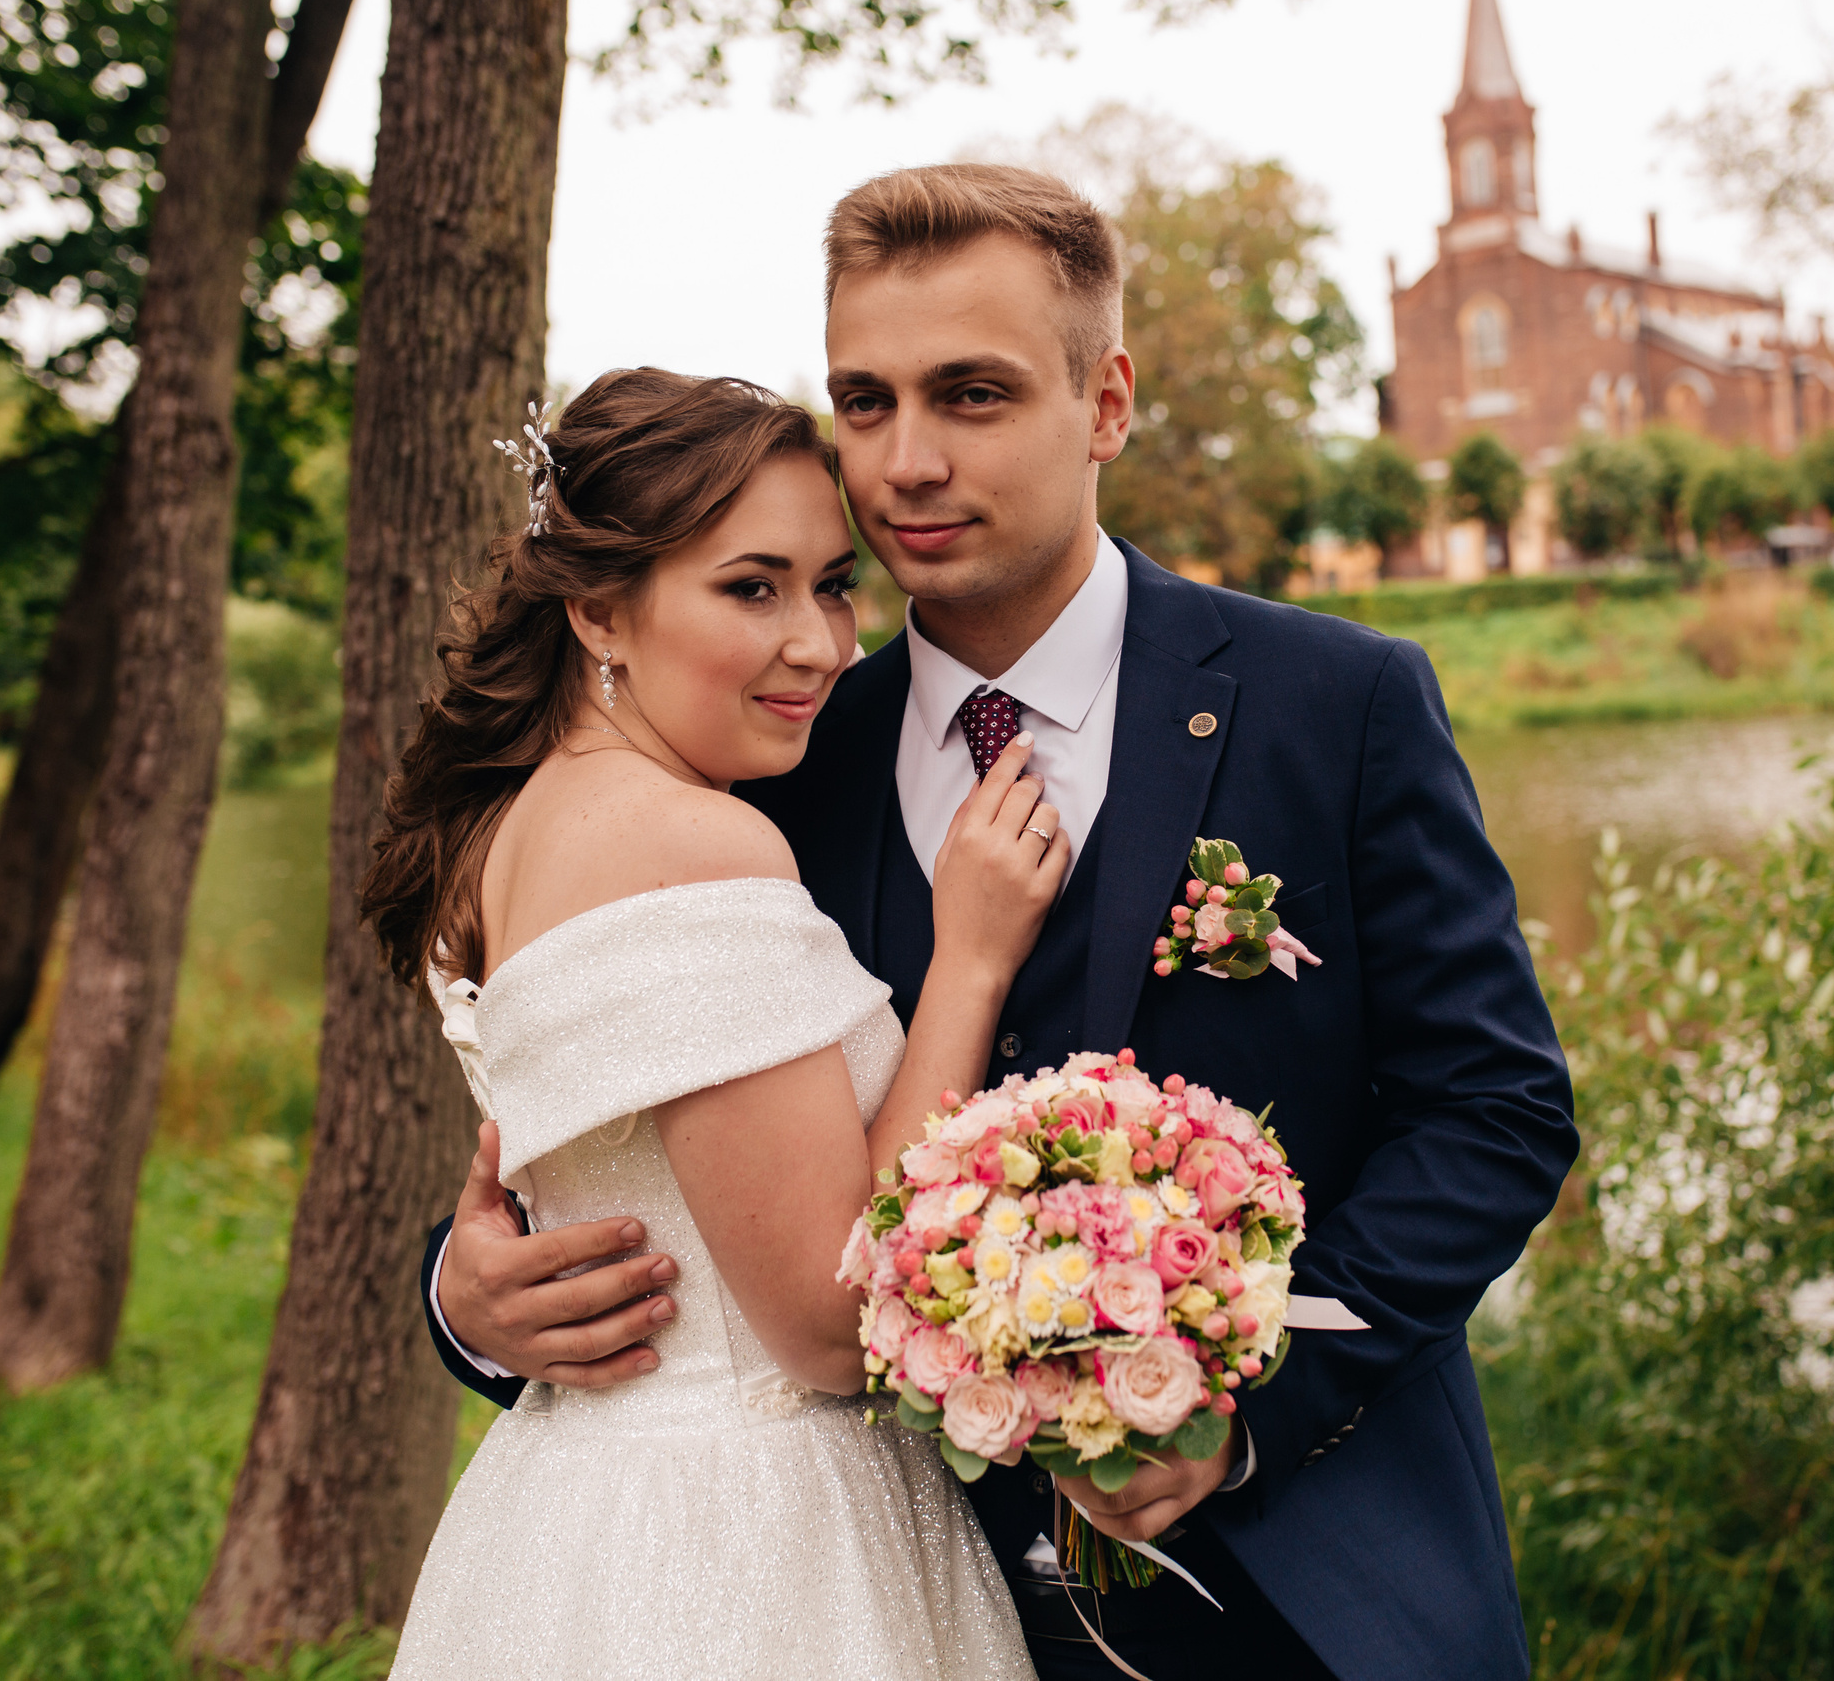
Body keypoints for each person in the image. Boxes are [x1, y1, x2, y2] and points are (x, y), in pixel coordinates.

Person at [428, 164, 1580, 1679]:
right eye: (866, 400)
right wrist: (468, 1302)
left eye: (971, 395)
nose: (907, 462)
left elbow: (1494, 1113)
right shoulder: (770, 761)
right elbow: (637, 1144)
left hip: (1311, 1596)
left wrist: (1247, 1406)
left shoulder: (1339, 703)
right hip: (895, 1596)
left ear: (1103, 403)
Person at [367, 368, 1060, 1678]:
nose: (820, 642)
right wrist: (969, 964)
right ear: (598, 610)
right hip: (759, 1531)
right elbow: (825, 1320)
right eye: (752, 588)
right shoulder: (693, 839)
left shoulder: (503, 834)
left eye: (833, 582)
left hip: (575, 1504)